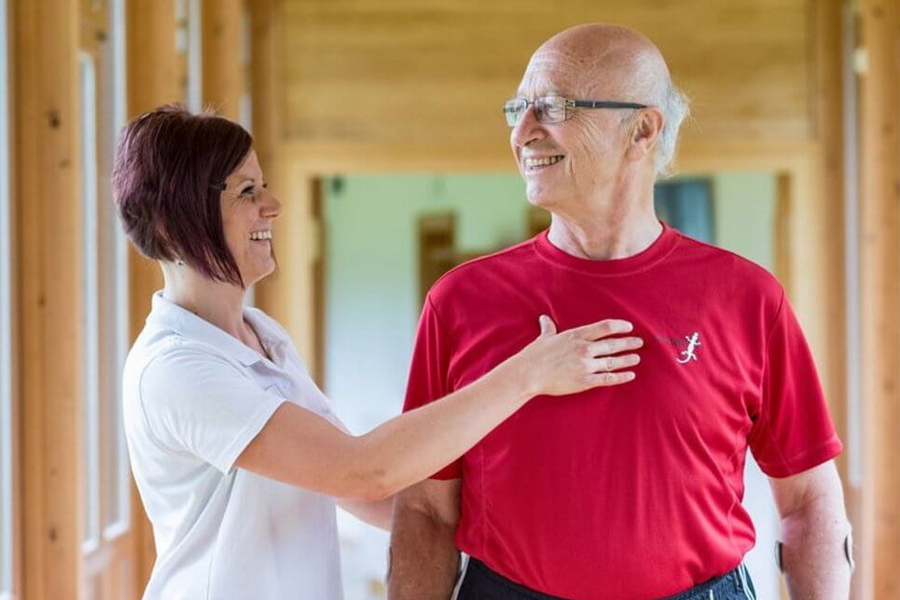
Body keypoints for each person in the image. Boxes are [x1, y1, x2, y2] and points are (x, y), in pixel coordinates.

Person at [389, 24, 852, 600]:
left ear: (642, 128)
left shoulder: (749, 298)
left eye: (554, 107)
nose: (524, 132)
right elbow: (426, 510)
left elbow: (809, 500)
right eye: (518, 109)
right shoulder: (459, 302)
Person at [114, 105, 643, 600]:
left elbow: (369, 497)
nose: (272, 206)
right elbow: (361, 471)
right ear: (171, 226)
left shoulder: (262, 336)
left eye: (265, 186)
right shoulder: (176, 369)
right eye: (247, 191)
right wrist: (526, 375)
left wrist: (536, 525)